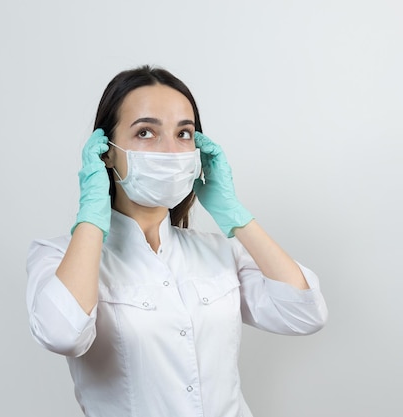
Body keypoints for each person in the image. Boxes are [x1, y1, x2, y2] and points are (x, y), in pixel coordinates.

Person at [26, 65, 328, 417]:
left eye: (184, 134)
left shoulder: (219, 251)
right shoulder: (57, 256)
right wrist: (91, 218)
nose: (170, 150)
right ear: (105, 152)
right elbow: (62, 334)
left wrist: (236, 217)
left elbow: (305, 314)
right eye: (145, 132)